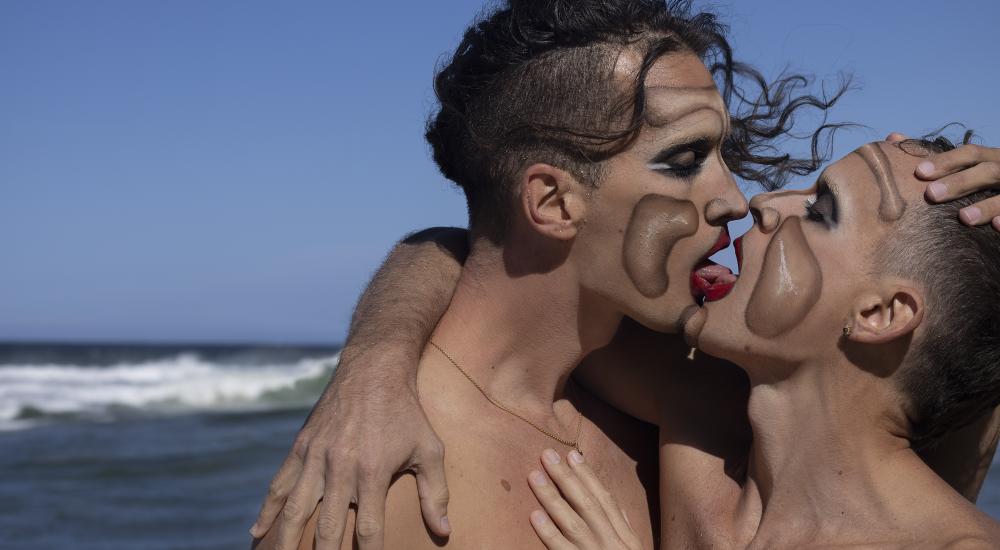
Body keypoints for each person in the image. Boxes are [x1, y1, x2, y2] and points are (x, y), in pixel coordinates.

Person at [248, 1, 1000, 549]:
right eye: (685, 161)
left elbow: (935, 409)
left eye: (822, 210)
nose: (743, 200)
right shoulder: (378, 492)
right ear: (550, 201)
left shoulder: (700, 404)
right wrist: (375, 364)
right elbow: (456, 250)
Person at [524, 136, 1000, 548]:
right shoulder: (697, 411)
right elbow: (485, 277)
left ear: (880, 314)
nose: (763, 202)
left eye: (821, 211)